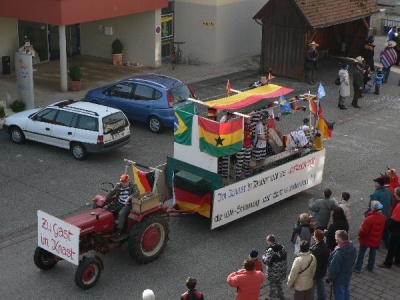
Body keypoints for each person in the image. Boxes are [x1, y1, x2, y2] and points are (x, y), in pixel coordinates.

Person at [353, 201, 386, 273]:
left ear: (373, 208)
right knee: (373, 253)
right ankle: (370, 267)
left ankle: (357, 267)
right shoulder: (383, 217)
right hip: (376, 238)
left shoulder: (369, 219)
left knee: (361, 253)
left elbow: (363, 231)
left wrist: (359, 234)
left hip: (366, 239)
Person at [328, 230, 356, 300]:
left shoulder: (339, 253)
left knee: (339, 292)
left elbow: (334, 268)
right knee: (346, 289)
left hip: (339, 277)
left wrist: (331, 278)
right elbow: (354, 259)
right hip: (348, 273)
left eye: (336, 237)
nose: (335, 239)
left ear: (340, 239)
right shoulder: (352, 247)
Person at [368, 177, 394, 247]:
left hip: (379, 216)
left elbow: (372, 205)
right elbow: (392, 202)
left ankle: (378, 244)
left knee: (378, 230)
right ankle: (387, 244)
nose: (374, 184)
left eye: (376, 182)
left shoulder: (376, 193)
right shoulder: (388, 191)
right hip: (388, 214)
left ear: (379, 184)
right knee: (386, 230)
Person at [378, 190, 400, 268]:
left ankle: (388, 263)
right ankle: (398, 261)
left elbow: (395, 220)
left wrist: (389, 227)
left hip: (397, 230)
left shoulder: (398, 206)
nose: (394, 195)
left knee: (392, 247)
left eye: (395, 194)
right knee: (398, 247)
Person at [262, 234, 287, 300]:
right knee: (278, 282)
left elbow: (267, 261)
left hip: (273, 271)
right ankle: (281, 294)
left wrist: (263, 257)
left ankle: (272, 296)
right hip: (281, 269)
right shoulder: (282, 247)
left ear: (269, 241)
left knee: (272, 284)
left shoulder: (270, 250)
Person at [310, 229, 330, 300]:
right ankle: (322, 297)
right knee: (320, 283)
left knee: (311, 287)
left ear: (316, 237)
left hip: (315, 271)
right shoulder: (325, 246)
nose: (313, 237)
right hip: (322, 269)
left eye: (314, 236)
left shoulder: (315, 250)